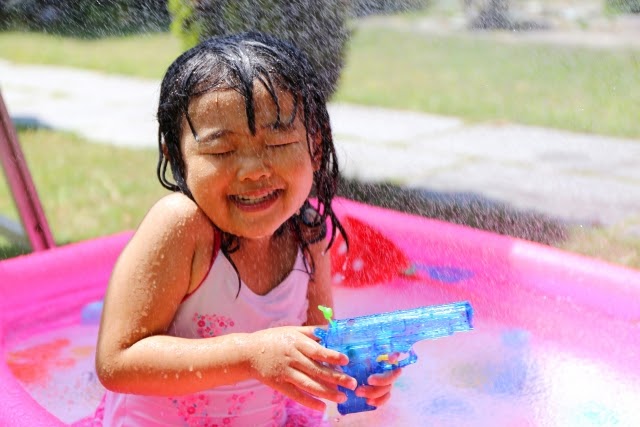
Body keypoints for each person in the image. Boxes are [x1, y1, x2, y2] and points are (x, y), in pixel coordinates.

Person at [95, 32, 401, 426]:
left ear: (316, 146)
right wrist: (250, 354)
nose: (254, 169)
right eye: (221, 151)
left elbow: (317, 347)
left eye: (278, 144)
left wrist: (357, 373)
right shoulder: (183, 226)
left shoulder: (309, 234)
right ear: (177, 156)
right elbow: (117, 362)